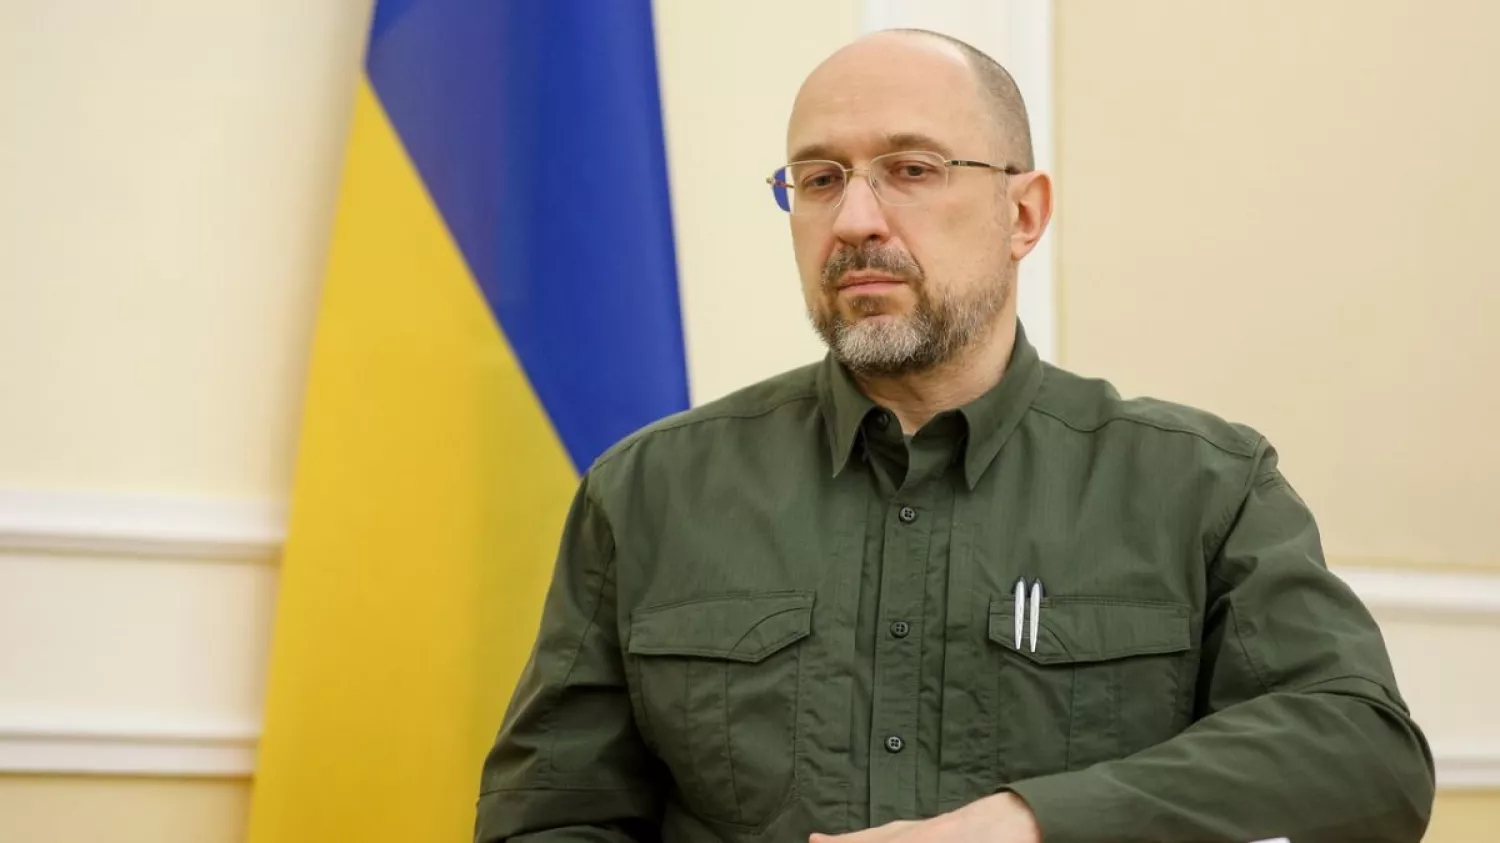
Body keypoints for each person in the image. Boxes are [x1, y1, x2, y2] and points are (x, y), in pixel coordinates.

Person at [474, 28, 1434, 843]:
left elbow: (1364, 751)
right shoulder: (648, 490)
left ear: (1023, 212)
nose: (854, 219)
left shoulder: (1203, 483)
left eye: (911, 170)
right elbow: (549, 816)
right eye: (819, 178)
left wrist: (1028, 821)